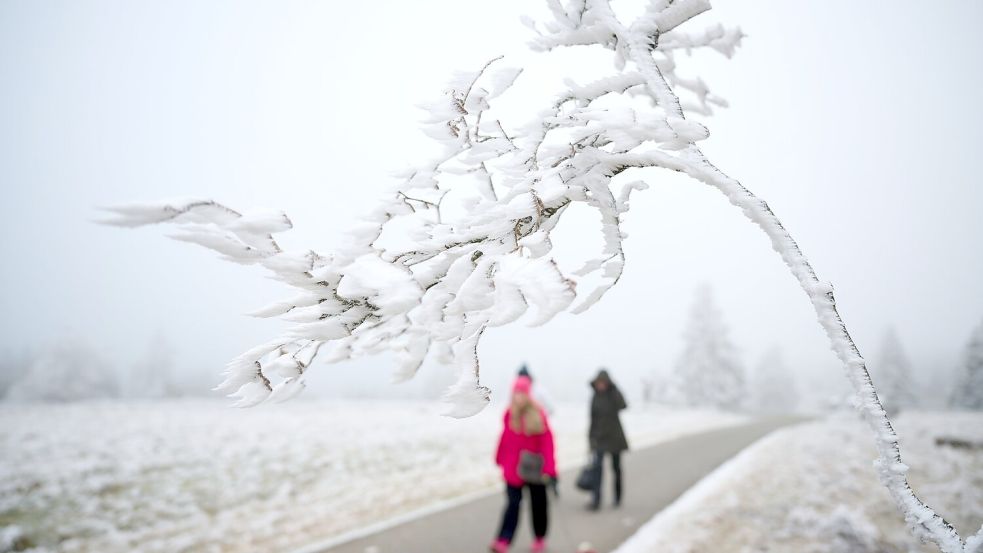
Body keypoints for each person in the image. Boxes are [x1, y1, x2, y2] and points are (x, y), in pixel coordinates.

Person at [490, 375, 557, 553]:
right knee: (512, 506)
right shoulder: (509, 414)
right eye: (516, 393)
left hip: (535, 470)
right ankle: (503, 539)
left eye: (522, 393)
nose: (518, 397)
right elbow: (504, 439)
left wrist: (550, 468)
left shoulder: (537, 414)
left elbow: (547, 443)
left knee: (538, 506)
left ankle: (539, 538)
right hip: (513, 470)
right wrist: (498, 458)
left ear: (527, 394)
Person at [587, 368, 628, 510]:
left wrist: (614, 389)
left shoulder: (613, 394)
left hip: (615, 437)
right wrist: (590, 438)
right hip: (599, 438)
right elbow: (592, 418)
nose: (601, 385)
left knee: (616, 468)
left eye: (603, 383)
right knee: (597, 469)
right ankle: (596, 499)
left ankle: (617, 496)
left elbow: (623, 405)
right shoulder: (595, 397)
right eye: (599, 383)